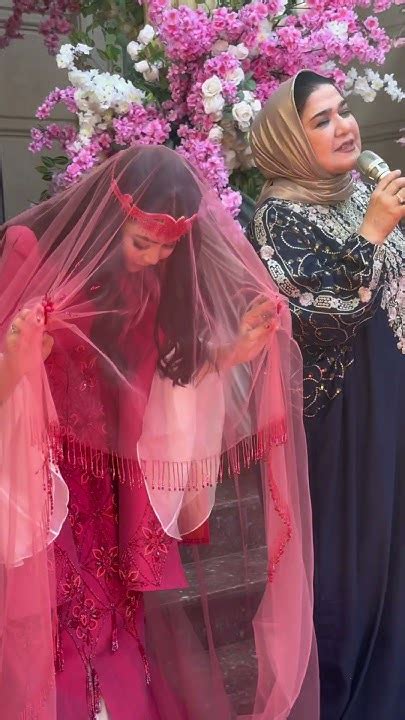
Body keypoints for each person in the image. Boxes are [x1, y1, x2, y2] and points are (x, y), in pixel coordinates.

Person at [0, 145, 318, 720]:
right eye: (141, 242)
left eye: (167, 248)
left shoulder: (142, 280)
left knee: (109, 616)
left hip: (105, 479)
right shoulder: (30, 249)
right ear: (108, 216)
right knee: (50, 617)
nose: (152, 258)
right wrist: (16, 363)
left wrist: (229, 354)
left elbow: (150, 373)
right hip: (35, 476)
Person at [248, 70, 405, 720]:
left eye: (343, 111)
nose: (344, 127)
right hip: (344, 416)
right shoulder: (276, 218)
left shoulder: (359, 192)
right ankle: (349, 702)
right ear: (289, 139)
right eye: (321, 120)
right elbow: (319, 317)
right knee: (356, 563)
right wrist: (371, 233)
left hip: (391, 394)